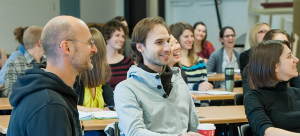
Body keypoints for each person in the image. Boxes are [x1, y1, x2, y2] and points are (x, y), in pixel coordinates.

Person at [7, 15, 98, 135]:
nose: (95, 49)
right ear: (67, 47)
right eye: (90, 43)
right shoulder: (50, 105)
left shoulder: (49, 94)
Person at [114, 17, 201, 136]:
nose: (167, 48)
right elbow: (135, 132)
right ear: (140, 47)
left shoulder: (179, 81)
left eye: (168, 41)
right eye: (159, 42)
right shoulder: (126, 89)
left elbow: (194, 129)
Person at [244, 40, 300, 136]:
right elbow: (266, 131)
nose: (296, 59)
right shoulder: (254, 97)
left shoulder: (297, 93)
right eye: (289, 56)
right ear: (275, 66)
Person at [242, 29, 300, 95]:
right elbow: (250, 96)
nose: (284, 47)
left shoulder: (290, 69)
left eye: (286, 44)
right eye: (278, 43)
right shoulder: (252, 69)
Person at [75, 27, 114, 112]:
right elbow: (68, 105)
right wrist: (90, 110)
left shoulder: (101, 78)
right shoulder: (76, 78)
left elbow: (112, 103)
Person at [1, 26, 46, 97]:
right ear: (40, 42)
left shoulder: (50, 62)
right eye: (47, 40)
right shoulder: (15, 64)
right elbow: (8, 93)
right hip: (26, 106)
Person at [170, 22, 213, 92]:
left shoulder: (200, 61)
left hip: (199, 102)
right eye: (186, 36)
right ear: (177, 38)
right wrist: (195, 86)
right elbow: (173, 86)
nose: (190, 39)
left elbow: (206, 88)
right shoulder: (172, 62)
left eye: (192, 36)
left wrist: (205, 103)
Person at [101, 20, 134, 90]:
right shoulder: (98, 62)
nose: (121, 39)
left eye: (123, 36)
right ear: (106, 37)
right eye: (117, 35)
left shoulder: (128, 62)